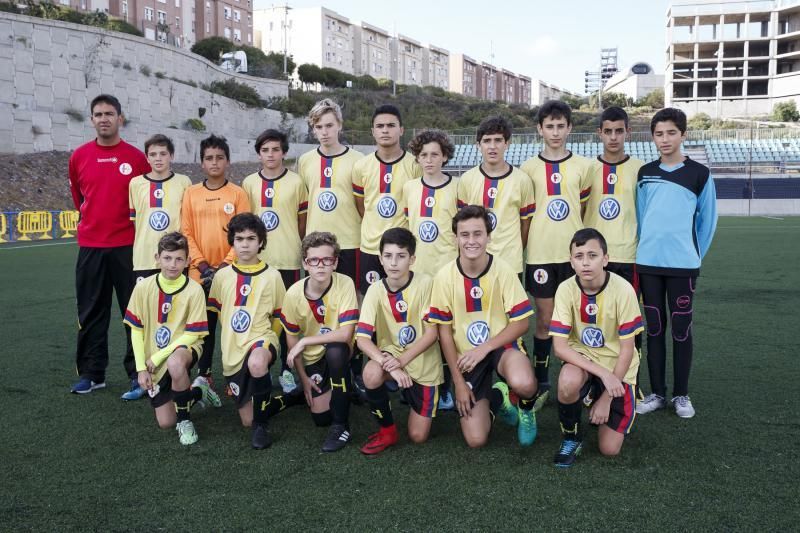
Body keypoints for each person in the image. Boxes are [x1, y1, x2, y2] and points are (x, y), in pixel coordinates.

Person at [428, 205, 538, 448]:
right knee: (476, 440)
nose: (471, 241)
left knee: (525, 383)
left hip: (501, 345)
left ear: (489, 236)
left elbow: (521, 323)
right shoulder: (444, 277)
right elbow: (444, 334)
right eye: (464, 235)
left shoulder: (504, 270)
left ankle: (526, 408)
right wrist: (458, 383)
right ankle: (498, 399)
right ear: (455, 237)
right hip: (465, 356)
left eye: (478, 234)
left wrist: (485, 348)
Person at [634, 108, 717, 419]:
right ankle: (657, 393)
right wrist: (647, 250)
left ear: (683, 134)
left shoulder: (699, 174)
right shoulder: (645, 173)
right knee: (654, 328)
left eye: (671, 132)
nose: (665, 139)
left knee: (681, 329)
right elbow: (642, 219)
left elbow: (707, 222)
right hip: (649, 264)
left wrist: (692, 256)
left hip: (683, 266)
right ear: (653, 137)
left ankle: (681, 395)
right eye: (659, 133)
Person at [68, 94, 151, 397]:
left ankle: (137, 373)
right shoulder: (79, 156)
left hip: (129, 247)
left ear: (120, 118)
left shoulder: (136, 158)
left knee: (134, 314)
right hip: (91, 246)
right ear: (91, 120)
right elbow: (80, 199)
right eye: (98, 114)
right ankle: (93, 374)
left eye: (110, 113)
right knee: (91, 311)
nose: (104, 118)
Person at [550, 228, 643, 467]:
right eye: (579, 256)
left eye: (592, 255)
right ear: (571, 262)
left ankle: (596, 396)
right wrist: (601, 374)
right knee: (568, 380)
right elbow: (560, 347)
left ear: (606, 259)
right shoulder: (565, 289)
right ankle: (571, 437)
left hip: (618, 367)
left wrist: (607, 398)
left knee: (609, 450)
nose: (585, 262)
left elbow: (627, 350)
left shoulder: (623, 290)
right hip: (585, 360)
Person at [521, 100, 592, 410]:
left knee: (576, 320)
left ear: (570, 128)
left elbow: (584, 208)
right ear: (540, 129)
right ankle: (541, 380)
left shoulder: (583, 166)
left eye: (560, 126)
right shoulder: (527, 168)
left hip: (573, 258)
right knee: (546, 320)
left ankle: (580, 378)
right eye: (549, 126)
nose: (555, 132)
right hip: (540, 254)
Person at [123, 232, 221, 445]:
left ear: (187, 261)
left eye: (179, 259)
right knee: (166, 422)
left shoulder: (194, 290)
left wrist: (159, 357)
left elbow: (193, 333)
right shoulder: (143, 287)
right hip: (153, 358)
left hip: (185, 347)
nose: (172, 265)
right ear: (157, 258)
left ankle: (185, 422)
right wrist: (141, 368)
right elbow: (136, 330)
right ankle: (198, 391)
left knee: (175, 364)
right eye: (167, 258)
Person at [356, 228, 444, 455]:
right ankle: (387, 431)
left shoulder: (426, 284)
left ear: (412, 259)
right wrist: (389, 364)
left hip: (423, 362)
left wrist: (401, 362)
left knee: (418, 437)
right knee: (371, 374)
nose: (394, 263)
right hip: (391, 356)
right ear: (380, 259)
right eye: (388, 256)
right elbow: (362, 339)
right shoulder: (375, 290)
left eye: (401, 256)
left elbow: (432, 334)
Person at [207, 213, 292, 449]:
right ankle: (284, 401)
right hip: (233, 349)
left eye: (251, 238)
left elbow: (279, 316)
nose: (245, 244)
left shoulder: (273, 276)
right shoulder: (222, 277)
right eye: (240, 238)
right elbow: (216, 318)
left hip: (262, 340)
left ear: (261, 242)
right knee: (247, 419)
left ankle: (261, 428)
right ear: (232, 242)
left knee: (256, 364)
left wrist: (270, 339)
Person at [280, 232, 360, 452]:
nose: (321, 265)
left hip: (340, 350)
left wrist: (306, 341)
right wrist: (304, 378)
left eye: (327, 260)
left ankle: (341, 426)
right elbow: (291, 340)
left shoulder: (345, 283)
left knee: (336, 351)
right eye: (314, 260)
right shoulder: (293, 294)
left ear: (335, 263)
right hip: (314, 358)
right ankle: (316, 389)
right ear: (306, 263)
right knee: (321, 417)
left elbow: (345, 334)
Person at [181, 135, 250, 390]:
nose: (214, 162)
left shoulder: (238, 194)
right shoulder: (191, 193)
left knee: (235, 325)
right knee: (203, 327)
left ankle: (237, 376)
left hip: (231, 272)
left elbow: (243, 233)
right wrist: (201, 265)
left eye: (219, 157)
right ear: (201, 163)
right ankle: (205, 373)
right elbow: (186, 232)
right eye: (209, 158)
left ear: (228, 161)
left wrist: (223, 266)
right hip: (199, 273)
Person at [242, 128, 308, 394]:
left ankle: (286, 370)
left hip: (288, 259)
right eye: (265, 150)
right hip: (259, 263)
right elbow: (247, 224)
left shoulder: (296, 182)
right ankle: (259, 368)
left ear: (284, 152)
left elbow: (301, 222)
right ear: (259, 153)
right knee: (259, 316)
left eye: (276, 149)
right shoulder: (248, 183)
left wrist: (295, 244)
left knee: (286, 318)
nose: (271, 155)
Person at [404, 128, 460, 411]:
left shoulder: (457, 187)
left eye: (434, 154)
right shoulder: (410, 188)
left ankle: (448, 386)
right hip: (418, 272)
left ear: (445, 156)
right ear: (417, 158)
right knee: (420, 327)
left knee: (447, 330)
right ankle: (417, 382)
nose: (428, 160)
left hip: (447, 271)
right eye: (423, 155)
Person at [584, 107, 644, 350]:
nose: (613, 137)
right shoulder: (587, 170)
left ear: (628, 132)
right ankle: (594, 380)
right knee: (593, 320)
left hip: (629, 257)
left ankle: (631, 382)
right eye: (608, 131)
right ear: (599, 133)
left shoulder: (641, 170)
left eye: (619, 131)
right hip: (595, 260)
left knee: (629, 321)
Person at [352, 104, 421, 295]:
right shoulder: (361, 166)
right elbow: (361, 205)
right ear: (373, 131)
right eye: (380, 126)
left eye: (391, 125)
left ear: (401, 130)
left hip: (402, 248)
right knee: (370, 299)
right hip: (371, 248)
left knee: (405, 298)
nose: (385, 130)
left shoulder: (415, 165)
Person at [296, 98, 364, 285]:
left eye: (329, 125)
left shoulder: (359, 160)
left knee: (352, 295)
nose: (324, 132)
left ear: (339, 125)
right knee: (318, 297)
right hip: (316, 244)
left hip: (350, 241)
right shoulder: (305, 161)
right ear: (313, 129)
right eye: (318, 127)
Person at [457, 116, 535, 275]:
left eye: (498, 140)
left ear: (507, 143)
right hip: (475, 261)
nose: (492, 146)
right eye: (487, 141)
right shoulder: (466, 179)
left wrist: (515, 250)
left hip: (510, 262)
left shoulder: (522, 180)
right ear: (478, 145)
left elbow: (525, 223)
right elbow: (462, 222)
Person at [128, 134, 192, 282]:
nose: (158, 158)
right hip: (144, 258)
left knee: (175, 302)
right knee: (147, 303)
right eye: (153, 154)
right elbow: (136, 221)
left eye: (163, 154)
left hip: (176, 258)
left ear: (171, 156)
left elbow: (188, 220)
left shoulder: (184, 182)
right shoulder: (135, 184)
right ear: (147, 158)